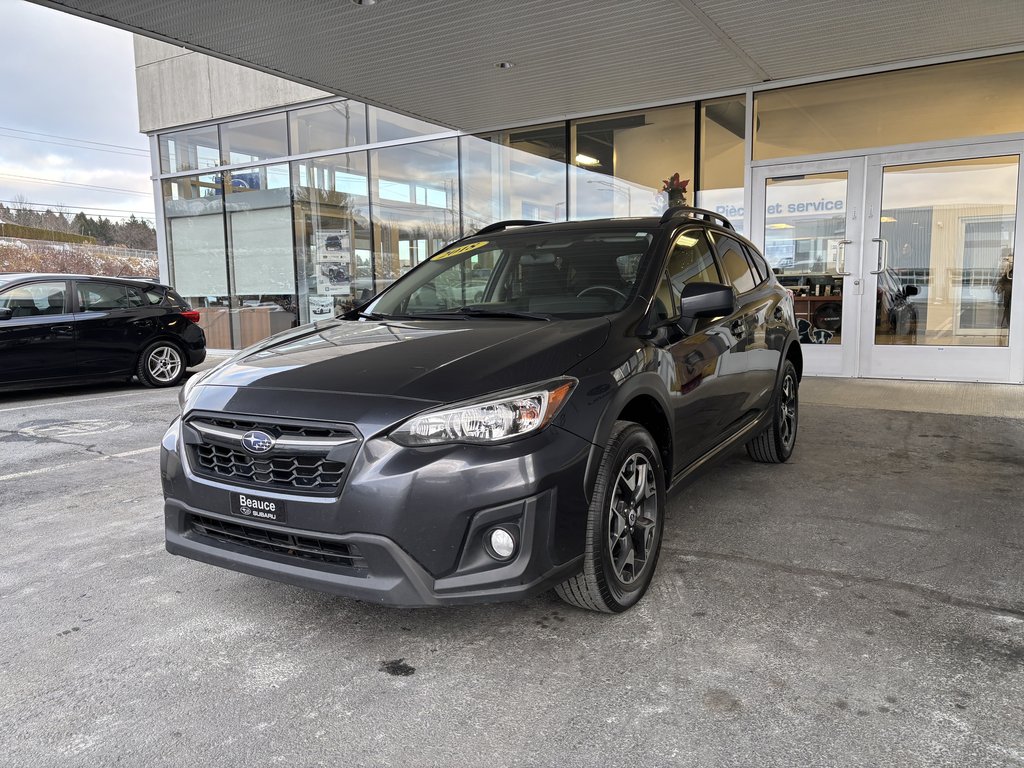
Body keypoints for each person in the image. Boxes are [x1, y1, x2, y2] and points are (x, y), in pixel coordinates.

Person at [995, 249, 1013, 329]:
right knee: (1007, 308)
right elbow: (1002, 280)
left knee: (1008, 308)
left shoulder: (1012, 270)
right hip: (1007, 296)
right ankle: (1007, 324)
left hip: (1010, 296)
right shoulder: (1007, 270)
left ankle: (1007, 324)